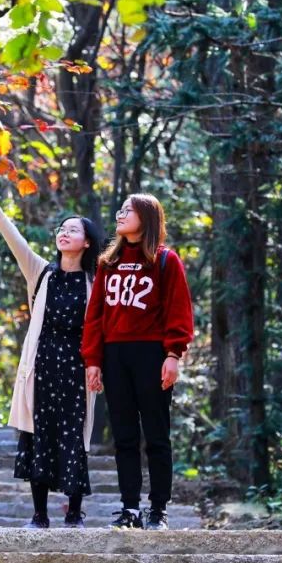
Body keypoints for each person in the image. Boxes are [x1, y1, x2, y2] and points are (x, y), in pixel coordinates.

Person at [0, 186, 101, 528]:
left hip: (76, 368)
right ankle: (39, 514)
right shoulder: (42, 273)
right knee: (38, 435)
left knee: (74, 435)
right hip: (41, 365)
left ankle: (74, 513)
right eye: (62, 229)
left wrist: (97, 366)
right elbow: (17, 244)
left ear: (87, 242)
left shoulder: (95, 282)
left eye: (73, 230)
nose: (64, 233)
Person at [82, 193, 194, 531]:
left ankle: (157, 509)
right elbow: (95, 316)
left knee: (157, 436)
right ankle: (129, 508)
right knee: (125, 436)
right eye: (120, 211)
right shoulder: (107, 263)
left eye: (127, 211)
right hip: (115, 355)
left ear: (146, 217)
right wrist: (93, 360)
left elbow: (179, 311)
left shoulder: (165, 260)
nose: (120, 215)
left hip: (152, 354)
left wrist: (173, 354)